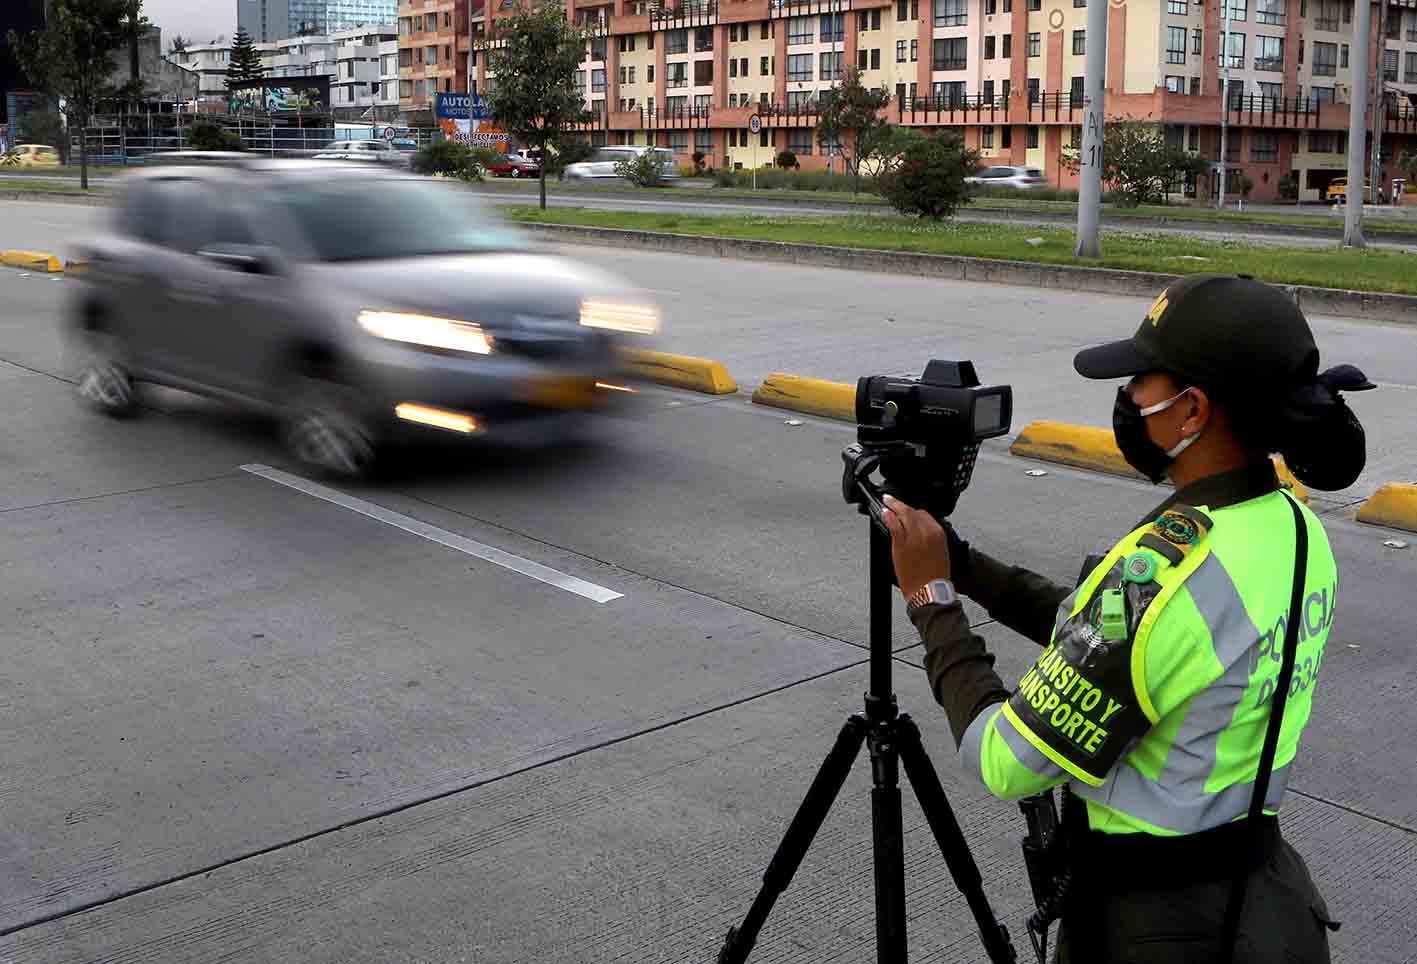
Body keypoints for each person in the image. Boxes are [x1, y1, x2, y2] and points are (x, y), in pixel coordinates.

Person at [881, 274, 1372, 963]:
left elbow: (1003, 761)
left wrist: (930, 600)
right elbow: (1126, 643)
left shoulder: (1166, 573)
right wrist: (964, 566)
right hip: (1265, 901)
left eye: (1140, 381)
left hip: (1158, 929)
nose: (1128, 400)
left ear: (1192, 409)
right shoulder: (1290, 524)